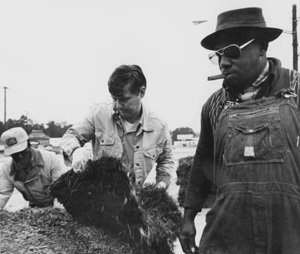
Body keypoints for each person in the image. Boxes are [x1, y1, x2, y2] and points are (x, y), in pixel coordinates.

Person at [179, 7, 300, 254]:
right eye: (219, 55)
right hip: (229, 233)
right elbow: (202, 161)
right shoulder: (214, 106)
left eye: (232, 52)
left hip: (288, 232)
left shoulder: (296, 89)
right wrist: (189, 217)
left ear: (262, 48)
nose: (223, 62)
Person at [60, 64, 173, 189]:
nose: (118, 105)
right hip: (101, 196)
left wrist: (162, 183)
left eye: (124, 99)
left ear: (142, 92)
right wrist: (76, 151)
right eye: (114, 99)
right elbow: (71, 136)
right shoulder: (98, 114)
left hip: (133, 197)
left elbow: (166, 160)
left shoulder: (159, 128)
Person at [0, 127, 67, 209]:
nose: (20, 156)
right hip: (35, 207)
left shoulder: (50, 159)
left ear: (28, 145)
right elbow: (3, 194)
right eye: (15, 154)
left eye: (22, 152)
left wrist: (57, 212)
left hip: (57, 202)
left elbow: (62, 188)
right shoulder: (7, 170)